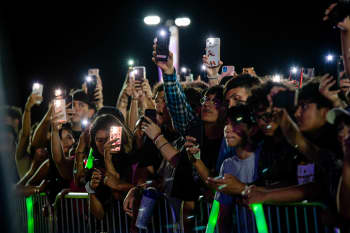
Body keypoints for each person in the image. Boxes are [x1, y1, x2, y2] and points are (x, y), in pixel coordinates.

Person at [186, 105, 260, 233]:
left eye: (235, 123)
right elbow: (223, 214)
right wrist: (196, 160)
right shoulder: (227, 164)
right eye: (226, 123)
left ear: (252, 129)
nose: (228, 129)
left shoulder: (262, 157)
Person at [83, 114, 133, 219]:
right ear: (94, 142)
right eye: (100, 140)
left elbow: (116, 184)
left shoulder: (130, 157)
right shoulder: (93, 165)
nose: (105, 144)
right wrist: (90, 189)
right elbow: (99, 215)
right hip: (106, 225)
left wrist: (108, 159)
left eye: (108, 139)